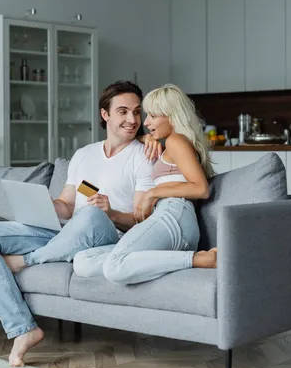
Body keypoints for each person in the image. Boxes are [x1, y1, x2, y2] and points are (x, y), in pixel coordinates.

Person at [0, 80, 156, 367]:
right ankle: (24, 329)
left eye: (137, 112)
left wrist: (111, 213)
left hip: (108, 233)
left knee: (91, 215)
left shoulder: (144, 156)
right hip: (67, 232)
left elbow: (142, 219)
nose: (132, 120)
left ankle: (26, 260)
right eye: (123, 111)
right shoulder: (84, 155)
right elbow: (68, 206)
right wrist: (46, 204)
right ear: (105, 114)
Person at [74, 84, 217, 285]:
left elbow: (201, 188)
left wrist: (153, 193)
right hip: (165, 217)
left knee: (115, 267)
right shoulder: (168, 143)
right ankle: (168, 263)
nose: (146, 122)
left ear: (172, 116)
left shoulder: (177, 141)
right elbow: (140, 137)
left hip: (174, 214)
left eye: (152, 116)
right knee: (83, 261)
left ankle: (196, 259)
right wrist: (146, 137)